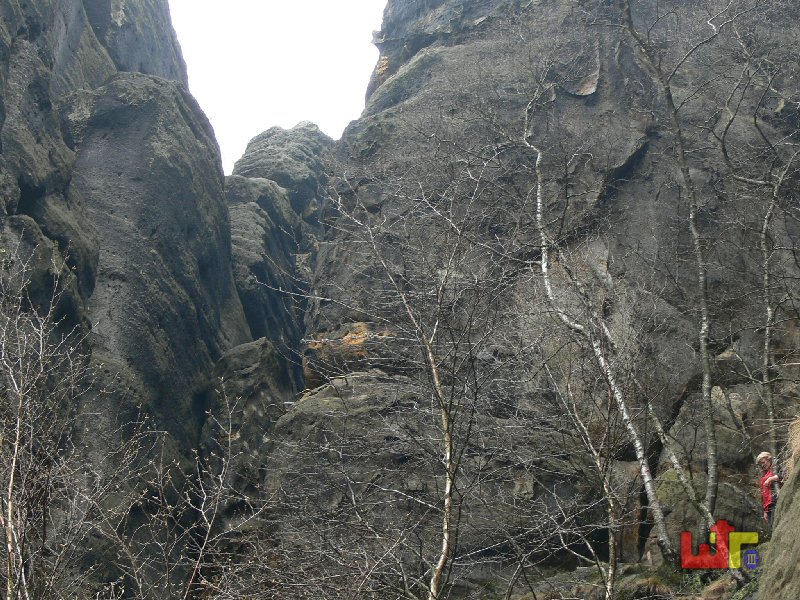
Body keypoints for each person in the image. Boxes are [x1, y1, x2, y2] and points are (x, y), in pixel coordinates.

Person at [757, 451, 781, 526]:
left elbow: (783, 474)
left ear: (768, 459)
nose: (762, 465)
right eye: (760, 464)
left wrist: (770, 479)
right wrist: (765, 511)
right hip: (768, 506)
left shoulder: (775, 468)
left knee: (775, 525)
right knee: (771, 527)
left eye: (763, 462)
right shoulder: (764, 474)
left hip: (775, 500)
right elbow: (763, 494)